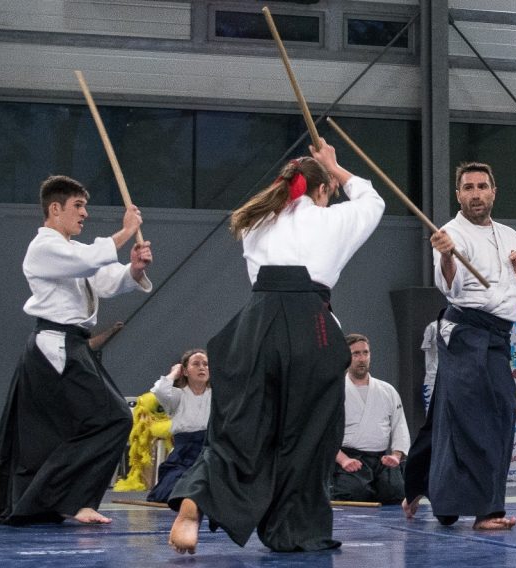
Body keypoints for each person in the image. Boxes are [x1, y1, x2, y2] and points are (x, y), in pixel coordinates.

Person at [167, 139, 385, 554]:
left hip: (254, 326)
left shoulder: (256, 222)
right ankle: (293, 531)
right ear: (321, 190)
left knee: (240, 428)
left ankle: (195, 500)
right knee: (308, 436)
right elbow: (371, 200)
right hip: (310, 327)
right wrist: (336, 166)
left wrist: (318, 170)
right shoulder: (332, 221)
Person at [0, 175, 153, 525]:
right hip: (55, 345)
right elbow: (86, 263)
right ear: (55, 209)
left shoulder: (73, 251)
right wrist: (126, 231)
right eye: (78, 206)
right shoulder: (44, 248)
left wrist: (133, 269)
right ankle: (77, 500)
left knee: (65, 430)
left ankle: (60, 500)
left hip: (73, 345)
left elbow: (103, 280)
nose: (84, 214)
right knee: (113, 417)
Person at [403, 162, 516, 530]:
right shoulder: (450, 234)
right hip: (465, 332)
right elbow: (449, 286)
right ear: (458, 195)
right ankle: (487, 511)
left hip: (498, 336)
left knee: (452, 414)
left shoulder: (512, 236)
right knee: (484, 416)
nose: (476, 193)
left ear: (494, 191)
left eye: (482, 186)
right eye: (468, 187)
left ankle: (420, 486)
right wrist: (447, 255)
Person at [331, 334, 410, 504]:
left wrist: (396, 456)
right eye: (356, 354)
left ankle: (377, 485)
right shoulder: (336, 391)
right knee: (353, 493)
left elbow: (399, 427)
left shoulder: (387, 390)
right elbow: (324, 433)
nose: (362, 359)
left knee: (397, 493)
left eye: (365, 353)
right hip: (349, 458)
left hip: (381, 460)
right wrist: (343, 460)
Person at [146, 349, 211, 503]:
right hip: (184, 452)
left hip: (210, 451)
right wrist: (174, 372)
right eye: (196, 364)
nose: (202, 368)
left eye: (206, 364)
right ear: (185, 371)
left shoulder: (217, 395)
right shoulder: (177, 396)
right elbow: (160, 390)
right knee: (173, 488)